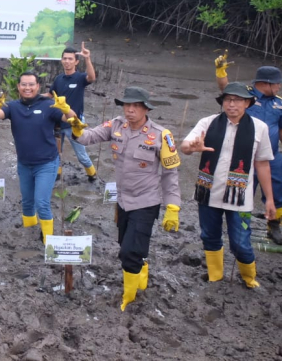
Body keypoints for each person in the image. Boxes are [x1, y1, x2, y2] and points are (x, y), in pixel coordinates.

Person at [75, 86, 181, 311]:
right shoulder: (115, 125)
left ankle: (129, 297)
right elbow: (86, 138)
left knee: (128, 252)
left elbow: (170, 173)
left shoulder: (162, 135)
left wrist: (173, 205)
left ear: (145, 109)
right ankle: (140, 268)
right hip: (123, 200)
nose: (130, 110)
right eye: (127, 105)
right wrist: (74, 123)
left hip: (147, 201)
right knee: (126, 244)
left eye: (135, 106)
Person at [181, 82, 276, 289]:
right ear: (222, 101)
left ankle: (249, 279)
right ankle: (215, 276)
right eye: (228, 99)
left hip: (240, 198)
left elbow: (262, 164)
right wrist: (192, 148)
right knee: (209, 236)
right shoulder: (208, 123)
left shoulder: (259, 128)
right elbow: (185, 146)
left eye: (238, 100)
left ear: (248, 103)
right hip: (208, 194)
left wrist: (269, 199)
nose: (232, 104)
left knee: (241, 243)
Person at [0, 72, 75, 243]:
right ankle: (28, 233)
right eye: (24, 85)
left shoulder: (49, 105)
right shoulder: (13, 106)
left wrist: (65, 108)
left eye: (31, 84)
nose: (28, 88)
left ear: (38, 87)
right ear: (18, 87)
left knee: (41, 202)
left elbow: (70, 119)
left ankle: (47, 240)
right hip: (24, 163)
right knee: (27, 202)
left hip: (47, 163)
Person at [214, 52, 282, 244]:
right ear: (266, 83)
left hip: (272, 156)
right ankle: (241, 226)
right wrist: (220, 71)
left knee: (278, 192)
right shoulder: (246, 96)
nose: (279, 86)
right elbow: (225, 88)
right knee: (242, 192)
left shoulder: (279, 103)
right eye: (277, 83)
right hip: (245, 155)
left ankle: (274, 226)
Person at [47, 43, 97, 181]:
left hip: (75, 123)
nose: (67, 61)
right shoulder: (58, 79)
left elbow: (92, 78)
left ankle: (92, 175)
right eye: (65, 58)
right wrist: (31, 97)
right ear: (62, 60)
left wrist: (88, 58)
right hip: (58, 122)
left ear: (76, 62)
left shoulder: (80, 78)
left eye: (70, 59)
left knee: (81, 155)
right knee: (56, 152)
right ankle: (56, 176)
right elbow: (50, 95)